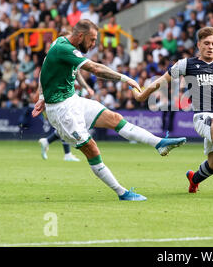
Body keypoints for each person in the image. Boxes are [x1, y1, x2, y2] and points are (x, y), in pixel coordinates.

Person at [31, 19, 186, 201]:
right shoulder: (63, 48)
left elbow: (44, 68)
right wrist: (124, 78)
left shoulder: (59, 43)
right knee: (92, 149)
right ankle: (122, 193)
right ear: (80, 36)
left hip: (73, 101)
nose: (94, 44)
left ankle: (159, 143)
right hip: (61, 111)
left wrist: (41, 96)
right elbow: (95, 69)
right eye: (92, 39)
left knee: (114, 118)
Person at [133, 26, 213, 195]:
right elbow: (161, 81)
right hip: (202, 116)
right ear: (198, 44)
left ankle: (194, 179)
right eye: (206, 43)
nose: (210, 47)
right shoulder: (187, 64)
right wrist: (142, 96)